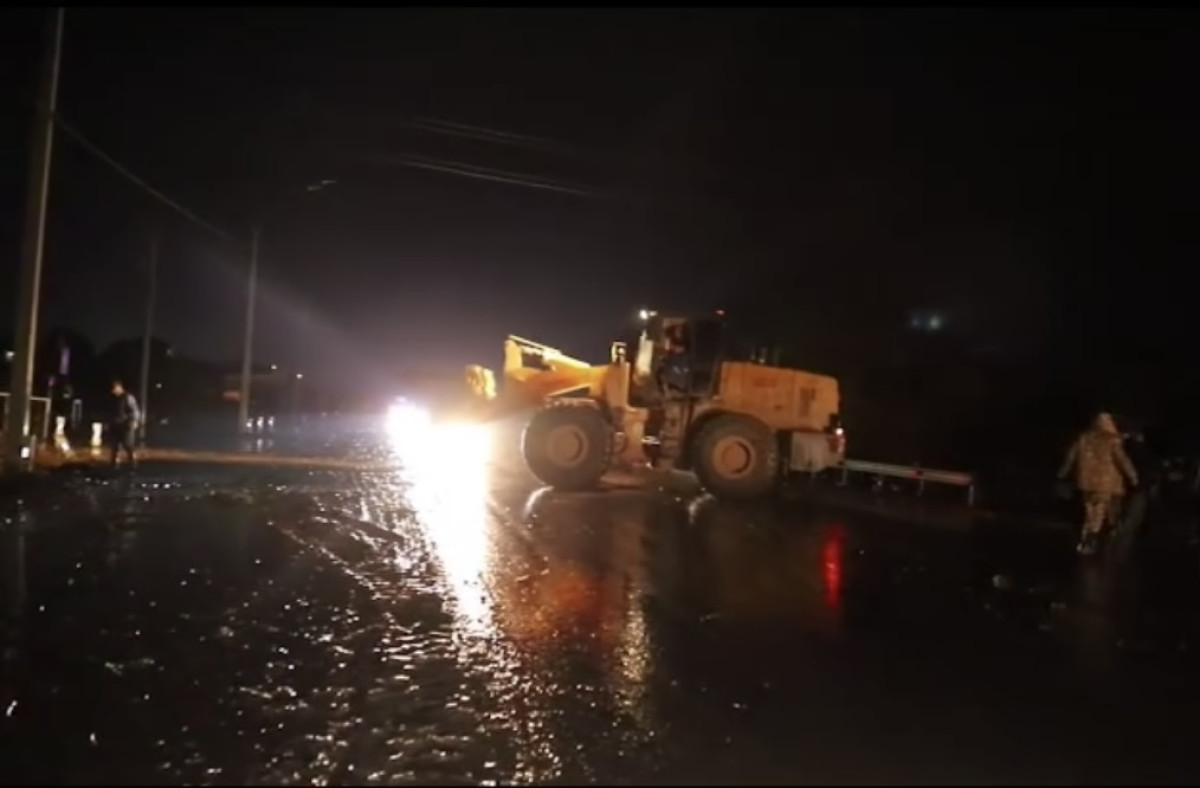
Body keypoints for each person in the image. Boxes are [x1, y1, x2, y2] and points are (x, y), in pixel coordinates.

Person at [1058, 411, 1138, 555]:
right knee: (1099, 512)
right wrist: (1133, 477)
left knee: (1090, 510)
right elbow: (1122, 460)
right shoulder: (1112, 441)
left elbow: (1071, 456)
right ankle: (1091, 539)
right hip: (1105, 483)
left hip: (1085, 482)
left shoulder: (1084, 438)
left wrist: (1062, 473)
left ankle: (1086, 538)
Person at [108, 380, 141, 468]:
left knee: (129, 446)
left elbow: (134, 410)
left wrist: (134, 421)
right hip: (115, 425)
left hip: (126, 426)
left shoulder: (128, 397)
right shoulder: (113, 399)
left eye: (114, 389)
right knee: (115, 447)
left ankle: (133, 464)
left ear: (119, 388)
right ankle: (114, 465)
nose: (113, 391)